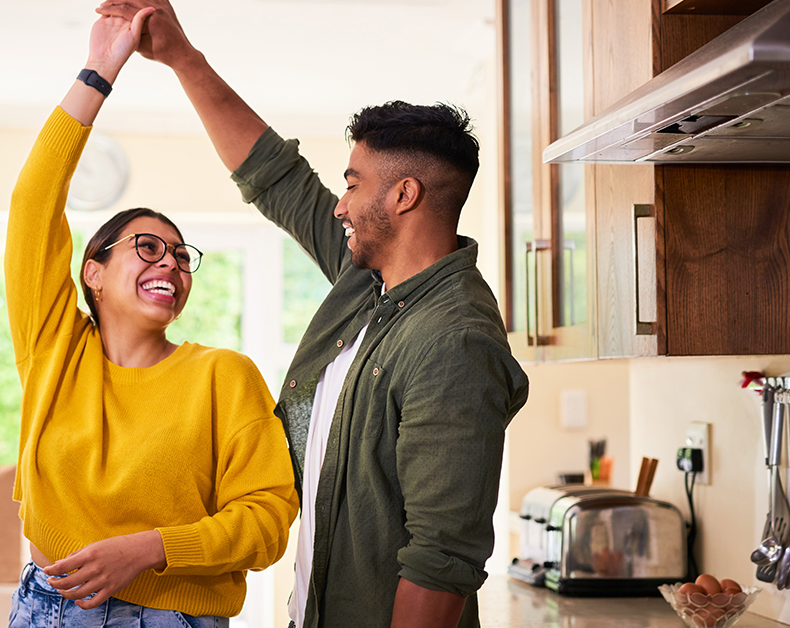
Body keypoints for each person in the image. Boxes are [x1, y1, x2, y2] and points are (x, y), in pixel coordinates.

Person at [95, 2, 531, 627]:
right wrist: (181, 59)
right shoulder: (370, 284)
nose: (340, 204)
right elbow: (278, 179)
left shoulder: (454, 340)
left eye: (353, 184)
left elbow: (441, 561)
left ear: (404, 196)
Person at [4, 9, 299, 627]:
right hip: (46, 609)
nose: (169, 261)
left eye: (179, 254)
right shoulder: (53, 349)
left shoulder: (223, 377)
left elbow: (268, 520)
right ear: (94, 271)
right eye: (146, 246)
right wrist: (101, 67)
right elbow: (33, 203)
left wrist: (150, 549)